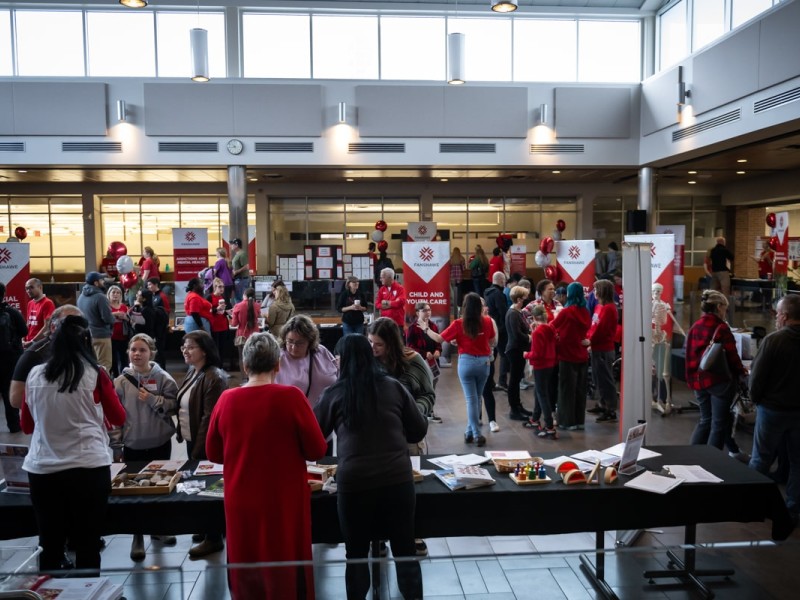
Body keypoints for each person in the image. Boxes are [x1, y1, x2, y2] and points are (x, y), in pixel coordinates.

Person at [207, 332, 327, 598]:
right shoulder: (291, 397)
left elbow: (213, 452)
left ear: (245, 366)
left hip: (241, 496)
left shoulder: (226, 400)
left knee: (245, 558)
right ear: (277, 365)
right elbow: (317, 448)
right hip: (283, 497)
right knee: (285, 560)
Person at [315, 334, 427, 600]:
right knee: (404, 550)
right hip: (397, 481)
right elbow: (418, 429)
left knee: (355, 554)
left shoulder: (335, 393)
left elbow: (316, 439)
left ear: (344, 360)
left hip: (354, 485)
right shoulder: (393, 387)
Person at [21, 314, 125, 573]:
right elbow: (118, 417)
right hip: (88, 467)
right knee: (88, 543)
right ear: (86, 342)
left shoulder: (34, 374)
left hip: (43, 469)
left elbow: (26, 426)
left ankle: (49, 591)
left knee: (50, 543)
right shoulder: (95, 373)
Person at [114, 334, 178, 561]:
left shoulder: (164, 378)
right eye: (133, 350)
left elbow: (173, 407)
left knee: (160, 486)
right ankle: (137, 536)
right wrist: (116, 444)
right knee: (135, 492)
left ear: (151, 352)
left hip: (159, 442)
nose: (137, 354)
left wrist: (153, 399)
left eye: (142, 349)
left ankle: (159, 528)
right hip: (133, 444)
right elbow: (114, 417)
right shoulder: (120, 382)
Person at [748, 294, 800, 525]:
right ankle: (794, 509)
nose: (776, 317)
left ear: (785, 316)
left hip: (772, 411)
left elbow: (757, 379)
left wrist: (756, 400)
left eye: (778, 313)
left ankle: (751, 506)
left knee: (760, 459)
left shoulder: (773, 341)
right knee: (798, 463)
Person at [176, 330, 228, 558]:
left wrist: (198, 451)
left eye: (190, 347)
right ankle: (208, 528)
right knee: (201, 487)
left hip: (205, 444)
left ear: (204, 351)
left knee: (210, 489)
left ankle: (214, 537)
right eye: (183, 347)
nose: (185, 350)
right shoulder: (194, 371)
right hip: (193, 439)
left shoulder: (214, 377)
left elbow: (209, 419)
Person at [685, 290, 747, 451]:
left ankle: (690, 455)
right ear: (719, 307)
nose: (725, 311)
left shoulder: (695, 326)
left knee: (705, 420)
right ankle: (713, 463)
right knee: (718, 424)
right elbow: (733, 356)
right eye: (725, 308)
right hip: (719, 382)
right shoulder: (721, 328)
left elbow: (689, 355)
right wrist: (742, 372)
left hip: (699, 381)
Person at [441, 292, 497, 447]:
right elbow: (491, 340)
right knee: (477, 398)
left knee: (471, 400)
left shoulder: (459, 323)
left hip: (466, 362)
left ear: (464, 307)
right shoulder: (487, 321)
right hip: (484, 363)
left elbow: (440, 338)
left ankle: (476, 434)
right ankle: (469, 431)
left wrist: (425, 329)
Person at [552, 282, 591, 431]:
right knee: (580, 390)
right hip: (582, 354)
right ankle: (579, 420)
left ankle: (567, 422)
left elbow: (553, 326)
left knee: (566, 389)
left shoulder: (566, 312)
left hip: (567, 354)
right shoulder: (585, 312)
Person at [275, 315, 338, 407]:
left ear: (310, 341)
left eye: (300, 343)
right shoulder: (278, 358)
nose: (294, 347)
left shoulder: (321, 351)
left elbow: (338, 375)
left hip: (325, 415)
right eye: (290, 341)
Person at [405, 301, 444, 423]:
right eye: (424, 310)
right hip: (420, 363)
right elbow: (409, 347)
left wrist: (438, 351)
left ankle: (429, 411)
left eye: (429, 310)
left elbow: (438, 342)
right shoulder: (412, 328)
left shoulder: (433, 326)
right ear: (417, 313)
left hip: (433, 363)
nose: (428, 312)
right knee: (423, 387)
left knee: (433, 385)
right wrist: (424, 353)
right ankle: (423, 412)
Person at [588, 279, 619, 423]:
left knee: (606, 379)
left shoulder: (609, 309)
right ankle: (602, 403)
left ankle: (611, 409)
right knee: (598, 378)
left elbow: (602, 330)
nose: (594, 292)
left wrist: (590, 340)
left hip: (604, 349)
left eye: (596, 290)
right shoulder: (599, 307)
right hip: (596, 347)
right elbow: (593, 326)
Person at [525, 305, 558, 439]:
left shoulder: (538, 332)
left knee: (542, 394)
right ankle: (535, 418)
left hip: (540, 365)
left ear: (533, 317)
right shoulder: (550, 327)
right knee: (539, 392)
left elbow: (537, 353)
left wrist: (526, 354)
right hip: (550, 363)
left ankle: (549, 426)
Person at [0, 282, 27, 433]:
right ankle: (14, 426)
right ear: (3, 294)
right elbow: (24, 331)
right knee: (8, 391)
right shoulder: (12, 312)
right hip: (10, 358)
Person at [505, 285, 533, 421]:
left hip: (519, 349)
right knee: (514, 381)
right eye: (525, 297)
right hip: (515, 350)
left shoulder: (517, 312)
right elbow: (516, 334)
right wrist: (529, 337)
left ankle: (518, 406)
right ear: (519, 299)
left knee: (516, 380)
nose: (527, 300)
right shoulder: (513, 314)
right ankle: (514, 409)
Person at [76, 271, 114, 371]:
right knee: (104, 366)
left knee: (92, 366)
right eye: (101, 280)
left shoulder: (81, 297)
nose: (103, 282)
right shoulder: (100, 297)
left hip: (87, 335)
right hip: (101, 336)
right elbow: (107, 318)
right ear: (96, 283)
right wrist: (115, 317)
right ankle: (104, 387)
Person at [485, 271, 509, 391]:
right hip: (500, 328)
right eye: (504, 280)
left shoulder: (486, 293)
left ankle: (490, 382)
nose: (504, 283)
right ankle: (502, 381)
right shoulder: (499, 294)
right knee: (504, 355)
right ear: (500, 280)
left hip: (489, 326)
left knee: (491, 356)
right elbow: (503, 312)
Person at [230, 288, 260, 381]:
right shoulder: (257, 305)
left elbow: (234, 324)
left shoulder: (238, 306)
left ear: (244, 295)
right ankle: (254, 377)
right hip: (255, 335)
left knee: (242, 357)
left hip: (242, 336)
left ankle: (244, 378)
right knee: (255, 356)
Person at [206, 278, 232, 370]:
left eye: (223, 287)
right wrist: (216, 309)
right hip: (214, 326)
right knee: (215, 349)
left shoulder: (223, 297)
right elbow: (207, 311)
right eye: (220, 287)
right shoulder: (210, 297)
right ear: (215, 287)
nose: (222, 289)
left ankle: (221, 368)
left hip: (223, 325)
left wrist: (228, 312)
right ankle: (215, 369)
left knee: (222, 349)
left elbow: (223, 311)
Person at [22, 278, 55, 348]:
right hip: (29, 343)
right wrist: (23, 338)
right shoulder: (30, 303)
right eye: (26, 288)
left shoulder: (48, 303)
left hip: (41, 345)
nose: (28, 291)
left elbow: (47, 326)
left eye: (31, 287)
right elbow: (28, 323)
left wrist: (33, 342)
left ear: (40, 287)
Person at [145, 278, 170, 369]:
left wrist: (166, 325)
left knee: (160, 350)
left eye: (150, 284)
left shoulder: (162, 296)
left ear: (156, 285)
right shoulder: (151, 295)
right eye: (147, 285)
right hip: (154, 327)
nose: (148, 287)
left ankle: (163, 369)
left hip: (160, 328)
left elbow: (167, 311)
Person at [107, 285, 130, 377]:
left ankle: (125, 376)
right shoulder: (106, 306)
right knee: (113, 359)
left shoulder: (124, 306)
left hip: (123, 336)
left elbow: (129, 320)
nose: (115, 294)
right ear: (109, 294)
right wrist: (115, 314)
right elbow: (104, 317)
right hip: (110, 336)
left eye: (118, 293)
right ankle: (115, 376)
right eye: (113, 292)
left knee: (124, 358)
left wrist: (125, 317)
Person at [230, 238, 251, 303]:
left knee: (240, 299)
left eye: (232, 244)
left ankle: (241, 312)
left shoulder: (242, 254)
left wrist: (236, 271)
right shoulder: (237, 254)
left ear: (236, 245)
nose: (231, 246)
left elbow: (246, 266)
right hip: (238, 279)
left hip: (241, 280)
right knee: (238, 298)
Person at [449, 247, 466, 320]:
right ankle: (459, 304)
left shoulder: (451, 259)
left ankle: (454, 304)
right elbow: (463, 268)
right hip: (459, 277)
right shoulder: (461, 258)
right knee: (459, 291)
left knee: (453, 291)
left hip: (452, 277)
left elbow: (448, 268)